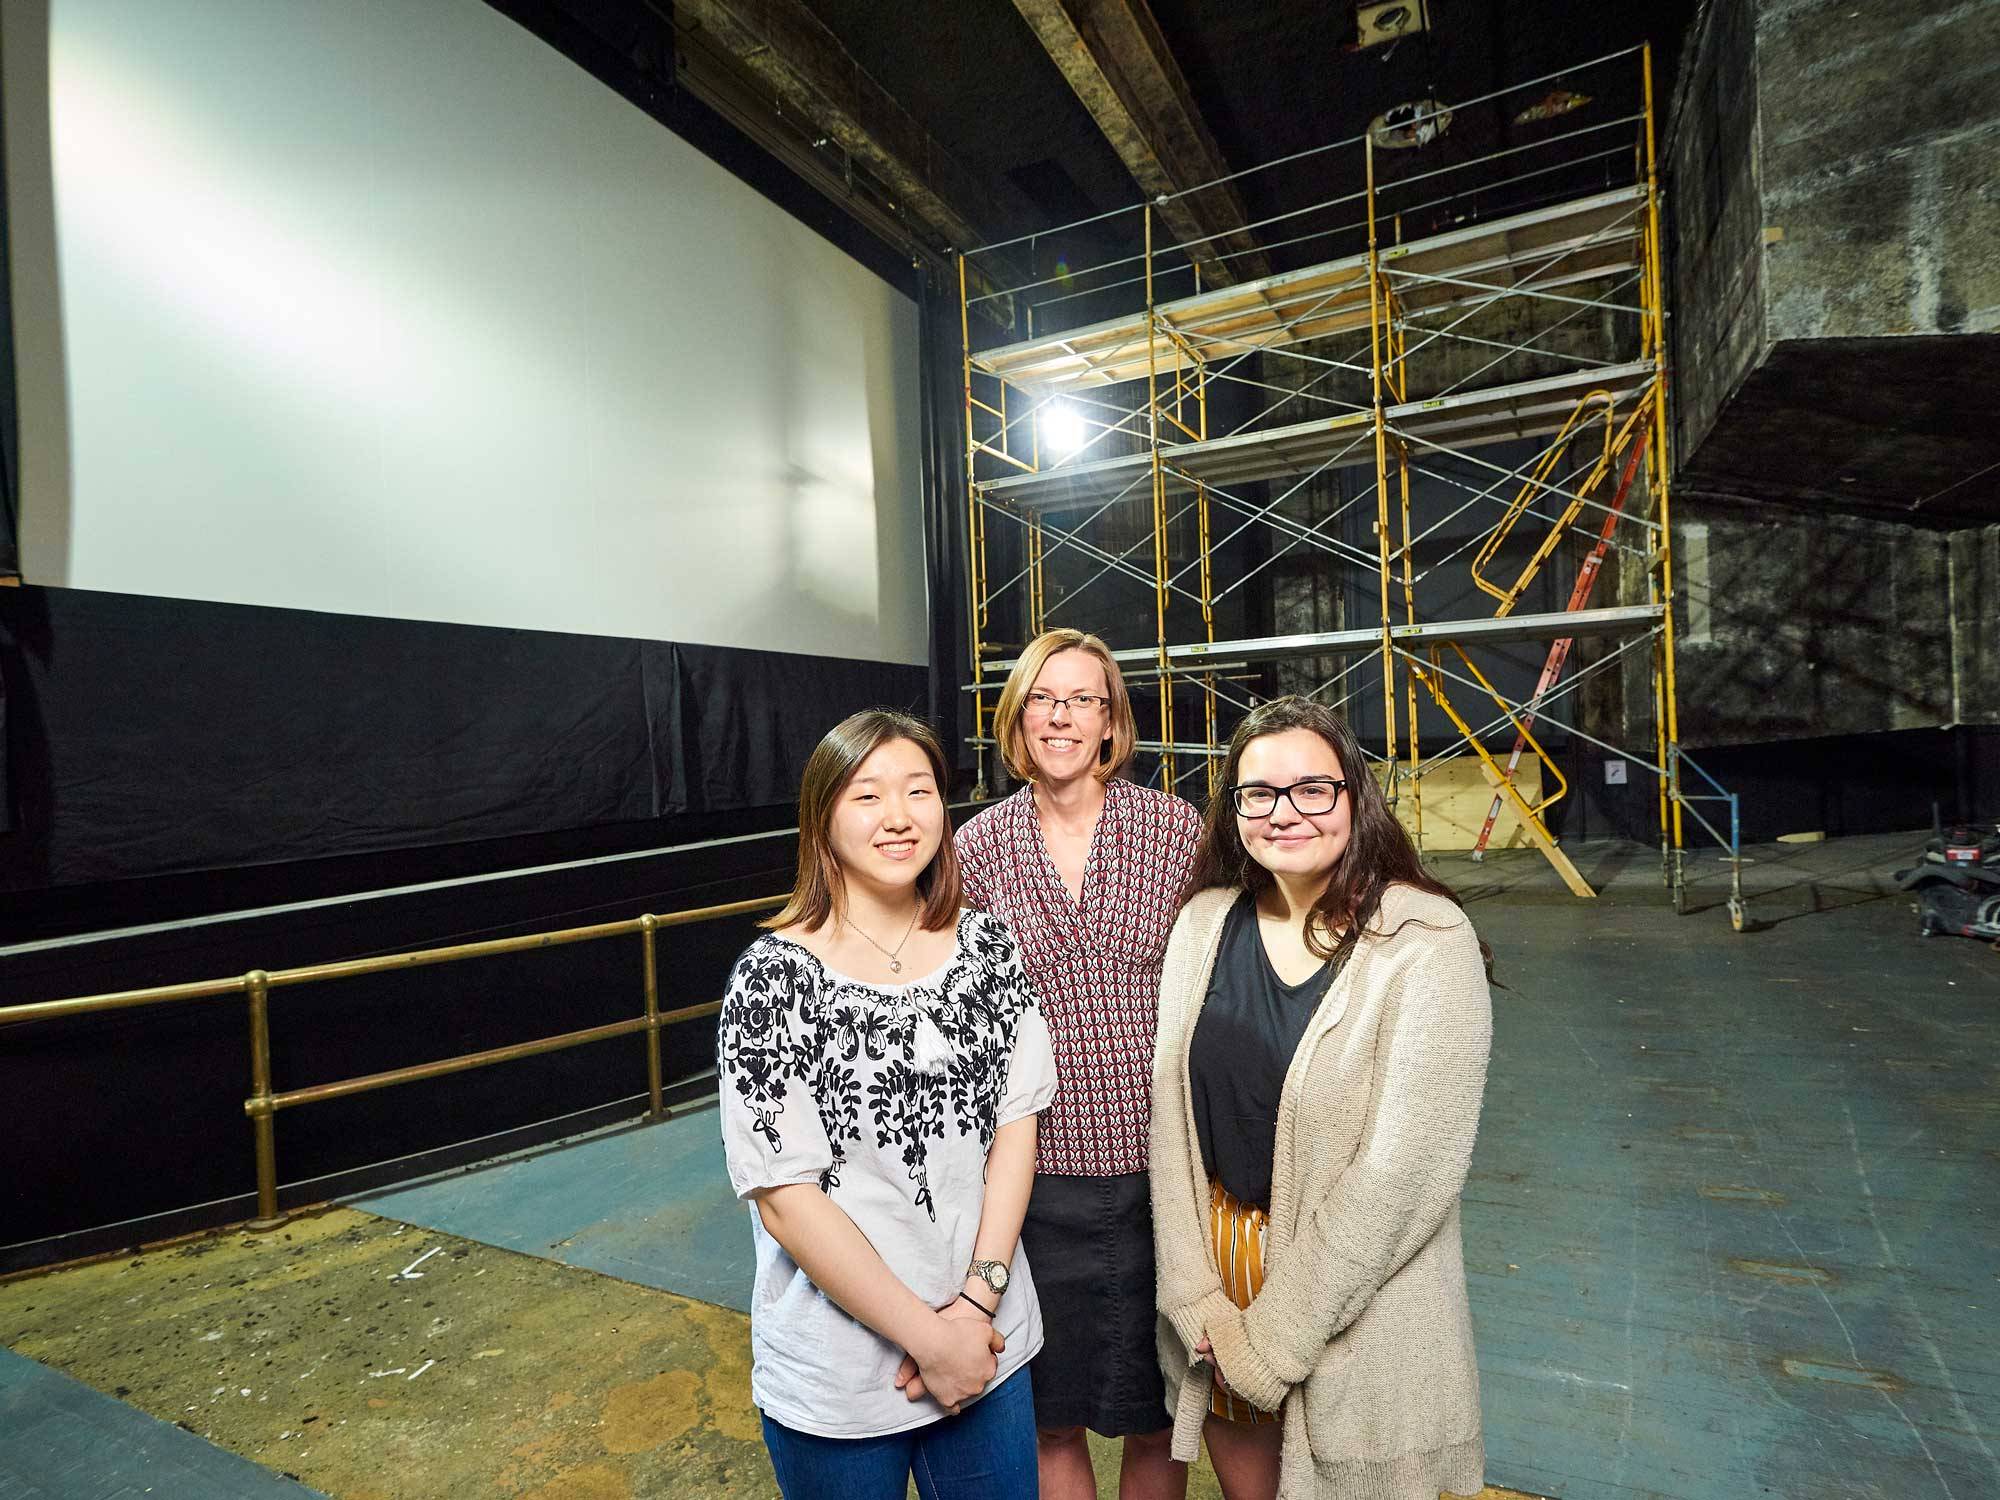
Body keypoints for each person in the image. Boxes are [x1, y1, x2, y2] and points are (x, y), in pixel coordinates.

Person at [1149, 697, 1492, 1500]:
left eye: (1312, 789)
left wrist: (1272, 1339)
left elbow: (1405, 1175)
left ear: (1353, 797)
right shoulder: (1202, 924)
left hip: (1355, 1306)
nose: (1285, 812)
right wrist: (1191, 1290)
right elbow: (1169, 1119)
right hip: (1220, 1288)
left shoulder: (1425, 943)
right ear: (1234, 812)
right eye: (1258, 793)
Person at [716, 709, 1057, 1500]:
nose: (899, 817)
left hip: (987, 1344)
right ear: (822, 818)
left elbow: (1016, 1127)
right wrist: (926, 1339)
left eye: (919, 790)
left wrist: (975, 1305)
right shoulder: (773, 982)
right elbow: (787, 1201)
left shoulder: (987, 948)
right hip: (837, 1379)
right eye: (868, 796)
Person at [955, 628, 1203, 1500]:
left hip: (1163, 1171)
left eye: (1081, 700)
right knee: (1049, 1414)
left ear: (1111, 721)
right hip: (1035, 1178)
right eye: (1042, 700)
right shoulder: (977, 849)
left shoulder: (1174, 830)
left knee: (1158, 1416)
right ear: (1019, 719)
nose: (1060, 717)